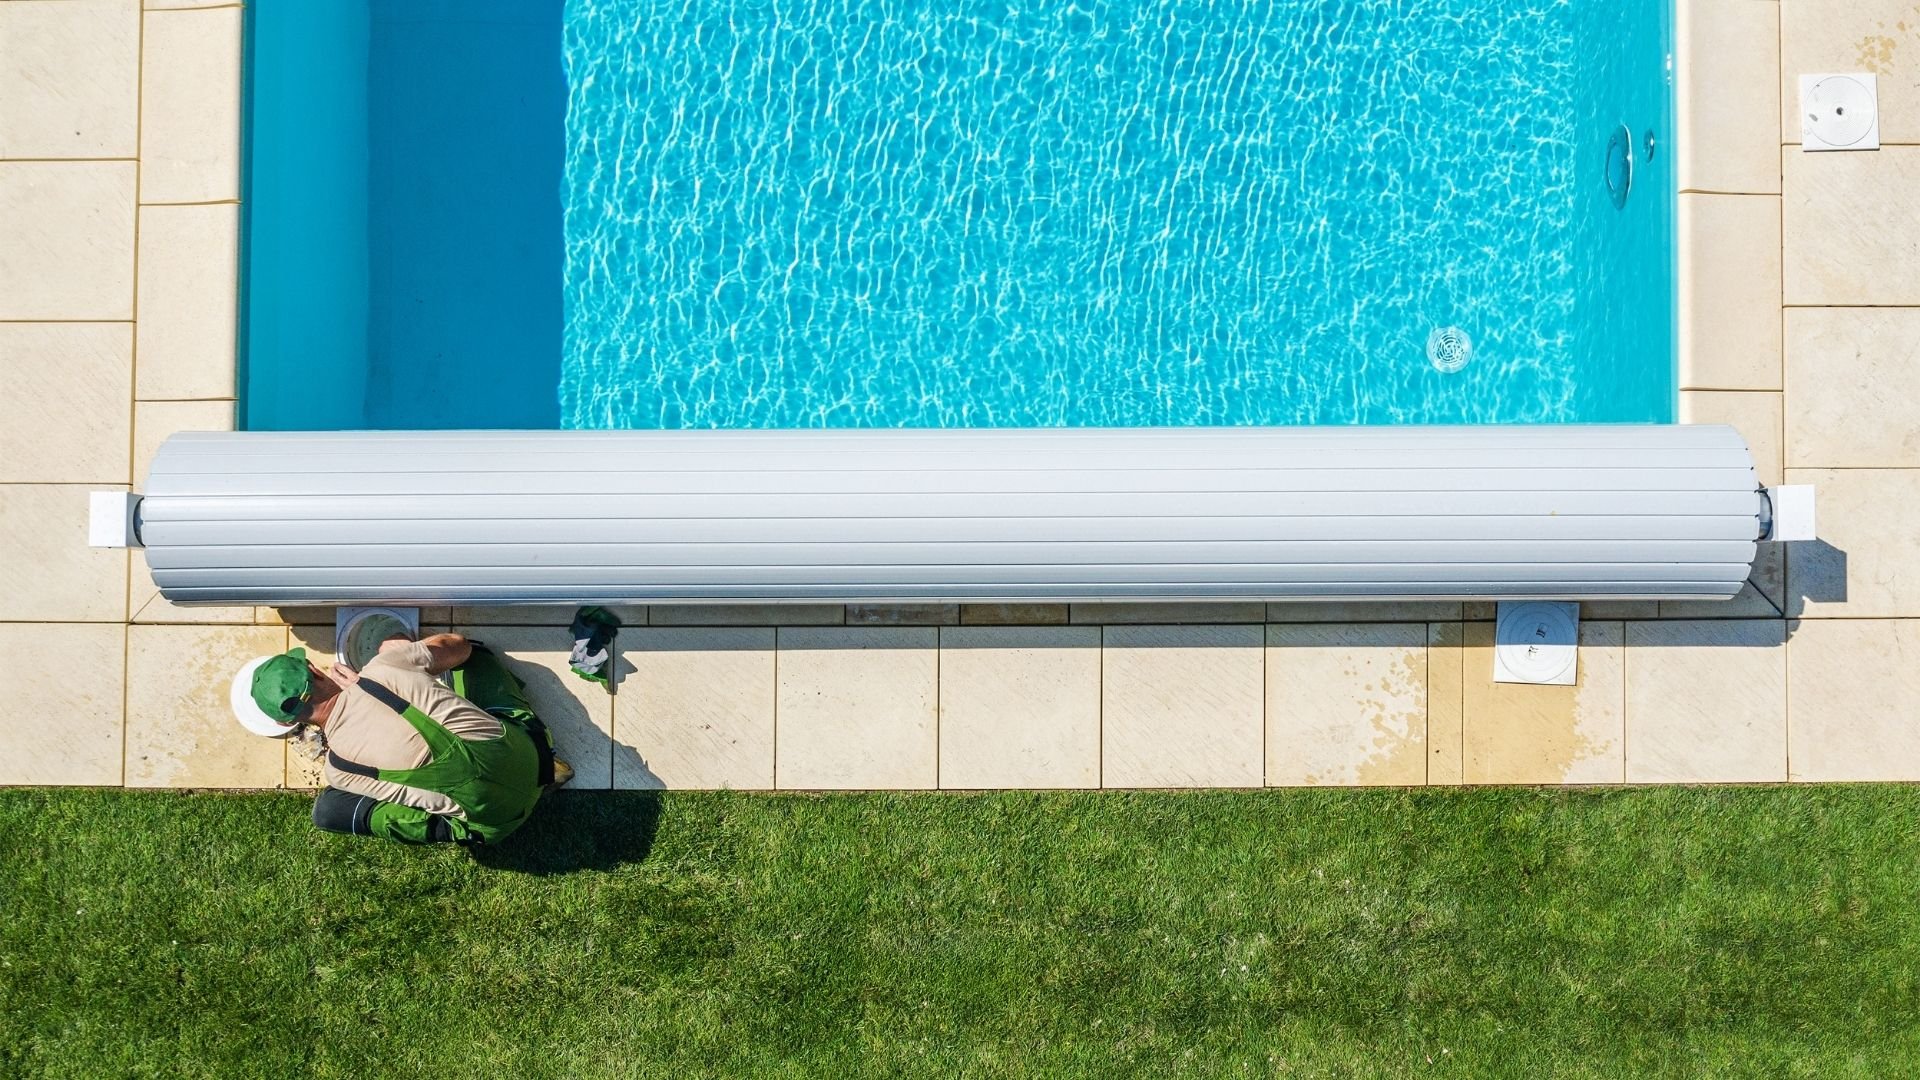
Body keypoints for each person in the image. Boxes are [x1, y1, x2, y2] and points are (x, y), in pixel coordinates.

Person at [230, 633, 571, 844]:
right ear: (316, 671)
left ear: (286, 723)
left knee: (330, 809)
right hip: (532, 753)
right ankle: (549, 770)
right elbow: (458, 647)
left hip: (499, 823)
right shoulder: (384, 668)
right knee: (477, 657)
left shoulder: (340, 771)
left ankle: (456, 826)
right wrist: (394, 651)